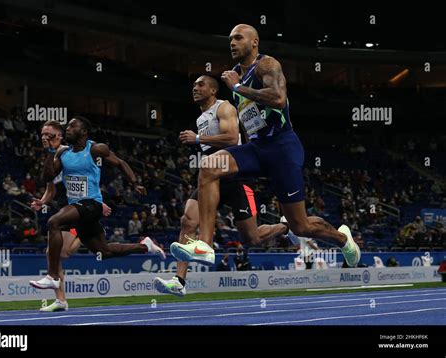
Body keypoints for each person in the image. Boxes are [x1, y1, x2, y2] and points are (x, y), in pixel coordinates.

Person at [171, 24, 360, 269]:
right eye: (230, 39)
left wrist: (238, 88)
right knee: (209, 166)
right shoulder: (235, 74)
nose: (232, 43)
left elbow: (279, 99)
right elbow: (251, 124)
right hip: (257, 150)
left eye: (238, 38)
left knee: (300, 226)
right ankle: (205, 246)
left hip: (282, 149)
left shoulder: (266, 65)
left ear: (254, 42)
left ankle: (342, 238)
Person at [154, 75, 287, 296]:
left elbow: (232, 138)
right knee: (188, 220)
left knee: (251, 238)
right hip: (212, 179)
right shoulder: (201, 118)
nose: (195, 88)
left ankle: (286, 227)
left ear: (214, 90)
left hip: (236, 176)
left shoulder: (223, 107)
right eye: (193, 85)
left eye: (200, 84)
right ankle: (179, 281)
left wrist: (197, 139)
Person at [29, 116, 165, 292]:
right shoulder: (63, 154)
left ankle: (53, 276)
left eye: (71, 126)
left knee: (54, 222)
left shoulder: (95, 149)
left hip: (92, 204)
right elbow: (47, 177)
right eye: (67, 126)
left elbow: (120, 163)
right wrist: (48, 153)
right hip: (79, 211)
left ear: (83, 131)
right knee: (104, 251)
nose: (67, 129)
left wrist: (134, 183)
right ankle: (146, 246)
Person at [30, 120, 112, 311]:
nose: (44, 138)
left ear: (59, 136)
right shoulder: (52, 155)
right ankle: (61, 300)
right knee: (52, 253)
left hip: (79, 211)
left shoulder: (71, 152)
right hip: (62, 210)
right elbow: (50, 188)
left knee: (62, 252)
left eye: (48, 134)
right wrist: (42, 201)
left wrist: (99, 202)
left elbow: (89, 177)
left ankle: (83, 236)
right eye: (42, 134)